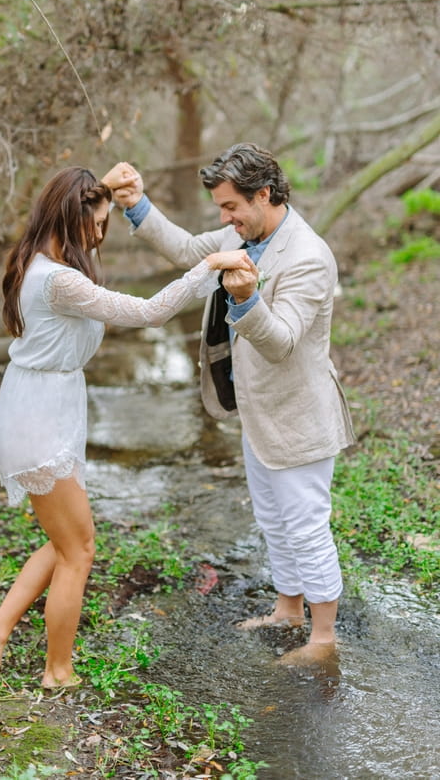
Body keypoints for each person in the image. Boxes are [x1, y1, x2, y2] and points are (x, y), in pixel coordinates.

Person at [0, 164, 248, 689]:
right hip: (39, 414)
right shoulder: (59, 281)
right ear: (75, 216)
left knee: (63, 541)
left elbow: (86, 219)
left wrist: (114, 193)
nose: (99, 235)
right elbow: (148, 312)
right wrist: (209, 265)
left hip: (41, 403)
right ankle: (58, 671)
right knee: (80, 549)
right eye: (97, 224)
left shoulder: (39, 260)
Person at [105, 143, 355, 668]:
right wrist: (136, 203)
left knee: (307, 523)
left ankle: (324, 639)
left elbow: (282, 341)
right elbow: (188, 249)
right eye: (220, 208)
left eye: (230, 206)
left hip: (299, 415)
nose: (224, 219)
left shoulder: (308, 256)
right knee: (272, 518)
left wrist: (245, 300)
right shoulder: (246, 232)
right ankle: (288, 609)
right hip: (256, 410)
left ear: (263, 194)